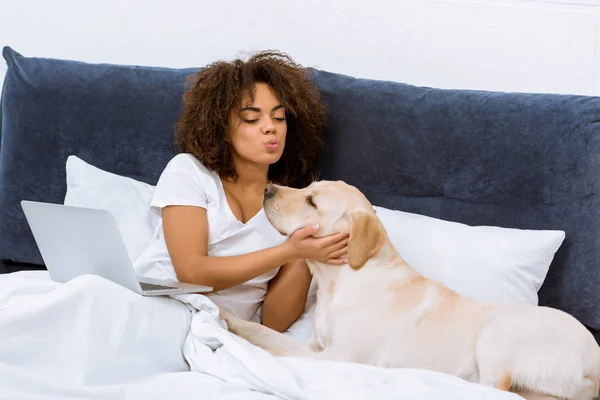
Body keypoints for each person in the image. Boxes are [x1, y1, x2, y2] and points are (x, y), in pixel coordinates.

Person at [133, 50, 349, 333]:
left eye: (279, 117)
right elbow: (191, 272)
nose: (270, 127)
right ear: (221, 127)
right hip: (159, 304)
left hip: (223, 329)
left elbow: (274, 321)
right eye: (251, 119)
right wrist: (287, 250)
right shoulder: (189, 172)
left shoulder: (295, 206)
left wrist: (303, 254)